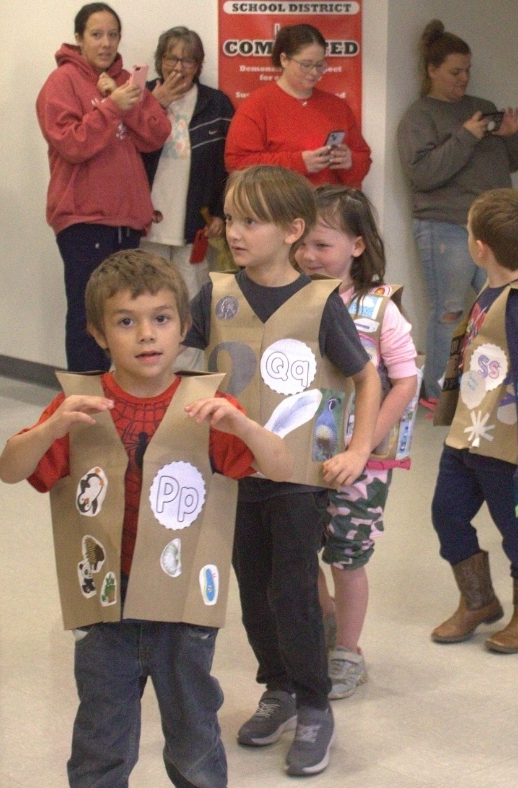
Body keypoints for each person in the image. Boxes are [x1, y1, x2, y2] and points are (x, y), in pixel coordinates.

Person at [0, 249, 293, 788]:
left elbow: (279, 465)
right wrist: (49, 430)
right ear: (99, 334)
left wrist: (243, 427)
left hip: (183, 606)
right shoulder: (79, 404)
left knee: (195, 737)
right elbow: (11, 470)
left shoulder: (207, 402)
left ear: (184, 327)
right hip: (106, 605)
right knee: (101, 739)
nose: (146, 335)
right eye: (126, 322)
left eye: (161, 318)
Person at [182, 165, 381, 776]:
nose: (235, 232)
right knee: (251, 586)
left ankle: (315, 702)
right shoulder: (214, 294)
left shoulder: (321, 301)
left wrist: (359, 448)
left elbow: (367, 376)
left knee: (294, 590)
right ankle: (279, 688)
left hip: (299, 476)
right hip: (231, 475)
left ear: (294, 229)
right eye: (231, 218)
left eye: (251, 220)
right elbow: (182, 366)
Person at [429, 188, 518, 655]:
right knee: (446, 513)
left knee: (517, 528)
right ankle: (479, 601)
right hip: (468, 436)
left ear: (479, 248)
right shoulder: (490, 293)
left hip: (506, 448)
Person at [294, 186, 419, 699]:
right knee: (299, 552)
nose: (307, 256)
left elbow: (406, 381)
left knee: (346, 556)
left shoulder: (378, 308)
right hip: (302, 458)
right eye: (301, 243)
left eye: (322, 245)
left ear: (358, 246)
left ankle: (348, 650)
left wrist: (364, 448)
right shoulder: (294, 300)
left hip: (361, 465)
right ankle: (322, 626)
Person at [397, 20, 518, 411]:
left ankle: (506, 385)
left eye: (467, 69)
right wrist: (467, 136)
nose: (464, 78)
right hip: (446, 227)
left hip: (495, 228)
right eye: (455, 71)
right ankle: (438, 394)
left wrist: (511, 135)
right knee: (449, 313)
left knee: (508, 306)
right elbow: (423, 174)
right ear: (432, 71)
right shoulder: (419, 117)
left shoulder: (481, 107)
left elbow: (514, 162)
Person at [36, 3, 170, 373]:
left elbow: (156, 135)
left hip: (127, 220)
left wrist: (128, 104)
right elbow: (72, 145)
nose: (106, 42)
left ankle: (118, 398)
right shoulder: (60, 83)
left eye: (113, 34)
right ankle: (86, 407)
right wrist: (111, 107)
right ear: (79, 39)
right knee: (88, 317)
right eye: (96, 34)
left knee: (124, 316)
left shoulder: (128, 80)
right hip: (83, 220)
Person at [141, 26, 235, 370]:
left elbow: (228, 166)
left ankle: (190, 377)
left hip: (196, 224)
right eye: (171, 58)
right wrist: (155, 104)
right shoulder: (139, 96)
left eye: (188, 60)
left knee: (192, 303)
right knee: (146, 301)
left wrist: (223, 215)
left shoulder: (217, 104)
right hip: (143, 224)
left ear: (199, 65)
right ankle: (149, 374)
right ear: (159, 61)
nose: (178, 67)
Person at [224, 24, 371, 188]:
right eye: (306, 65)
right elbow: (237, 164)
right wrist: (298, 163)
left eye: (320, 65)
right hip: (279, 209)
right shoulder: (256, 105)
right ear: (284, 60)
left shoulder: (337, 107)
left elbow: (363, 161)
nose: (315, 72)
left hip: (328, 208)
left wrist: (350, 161)